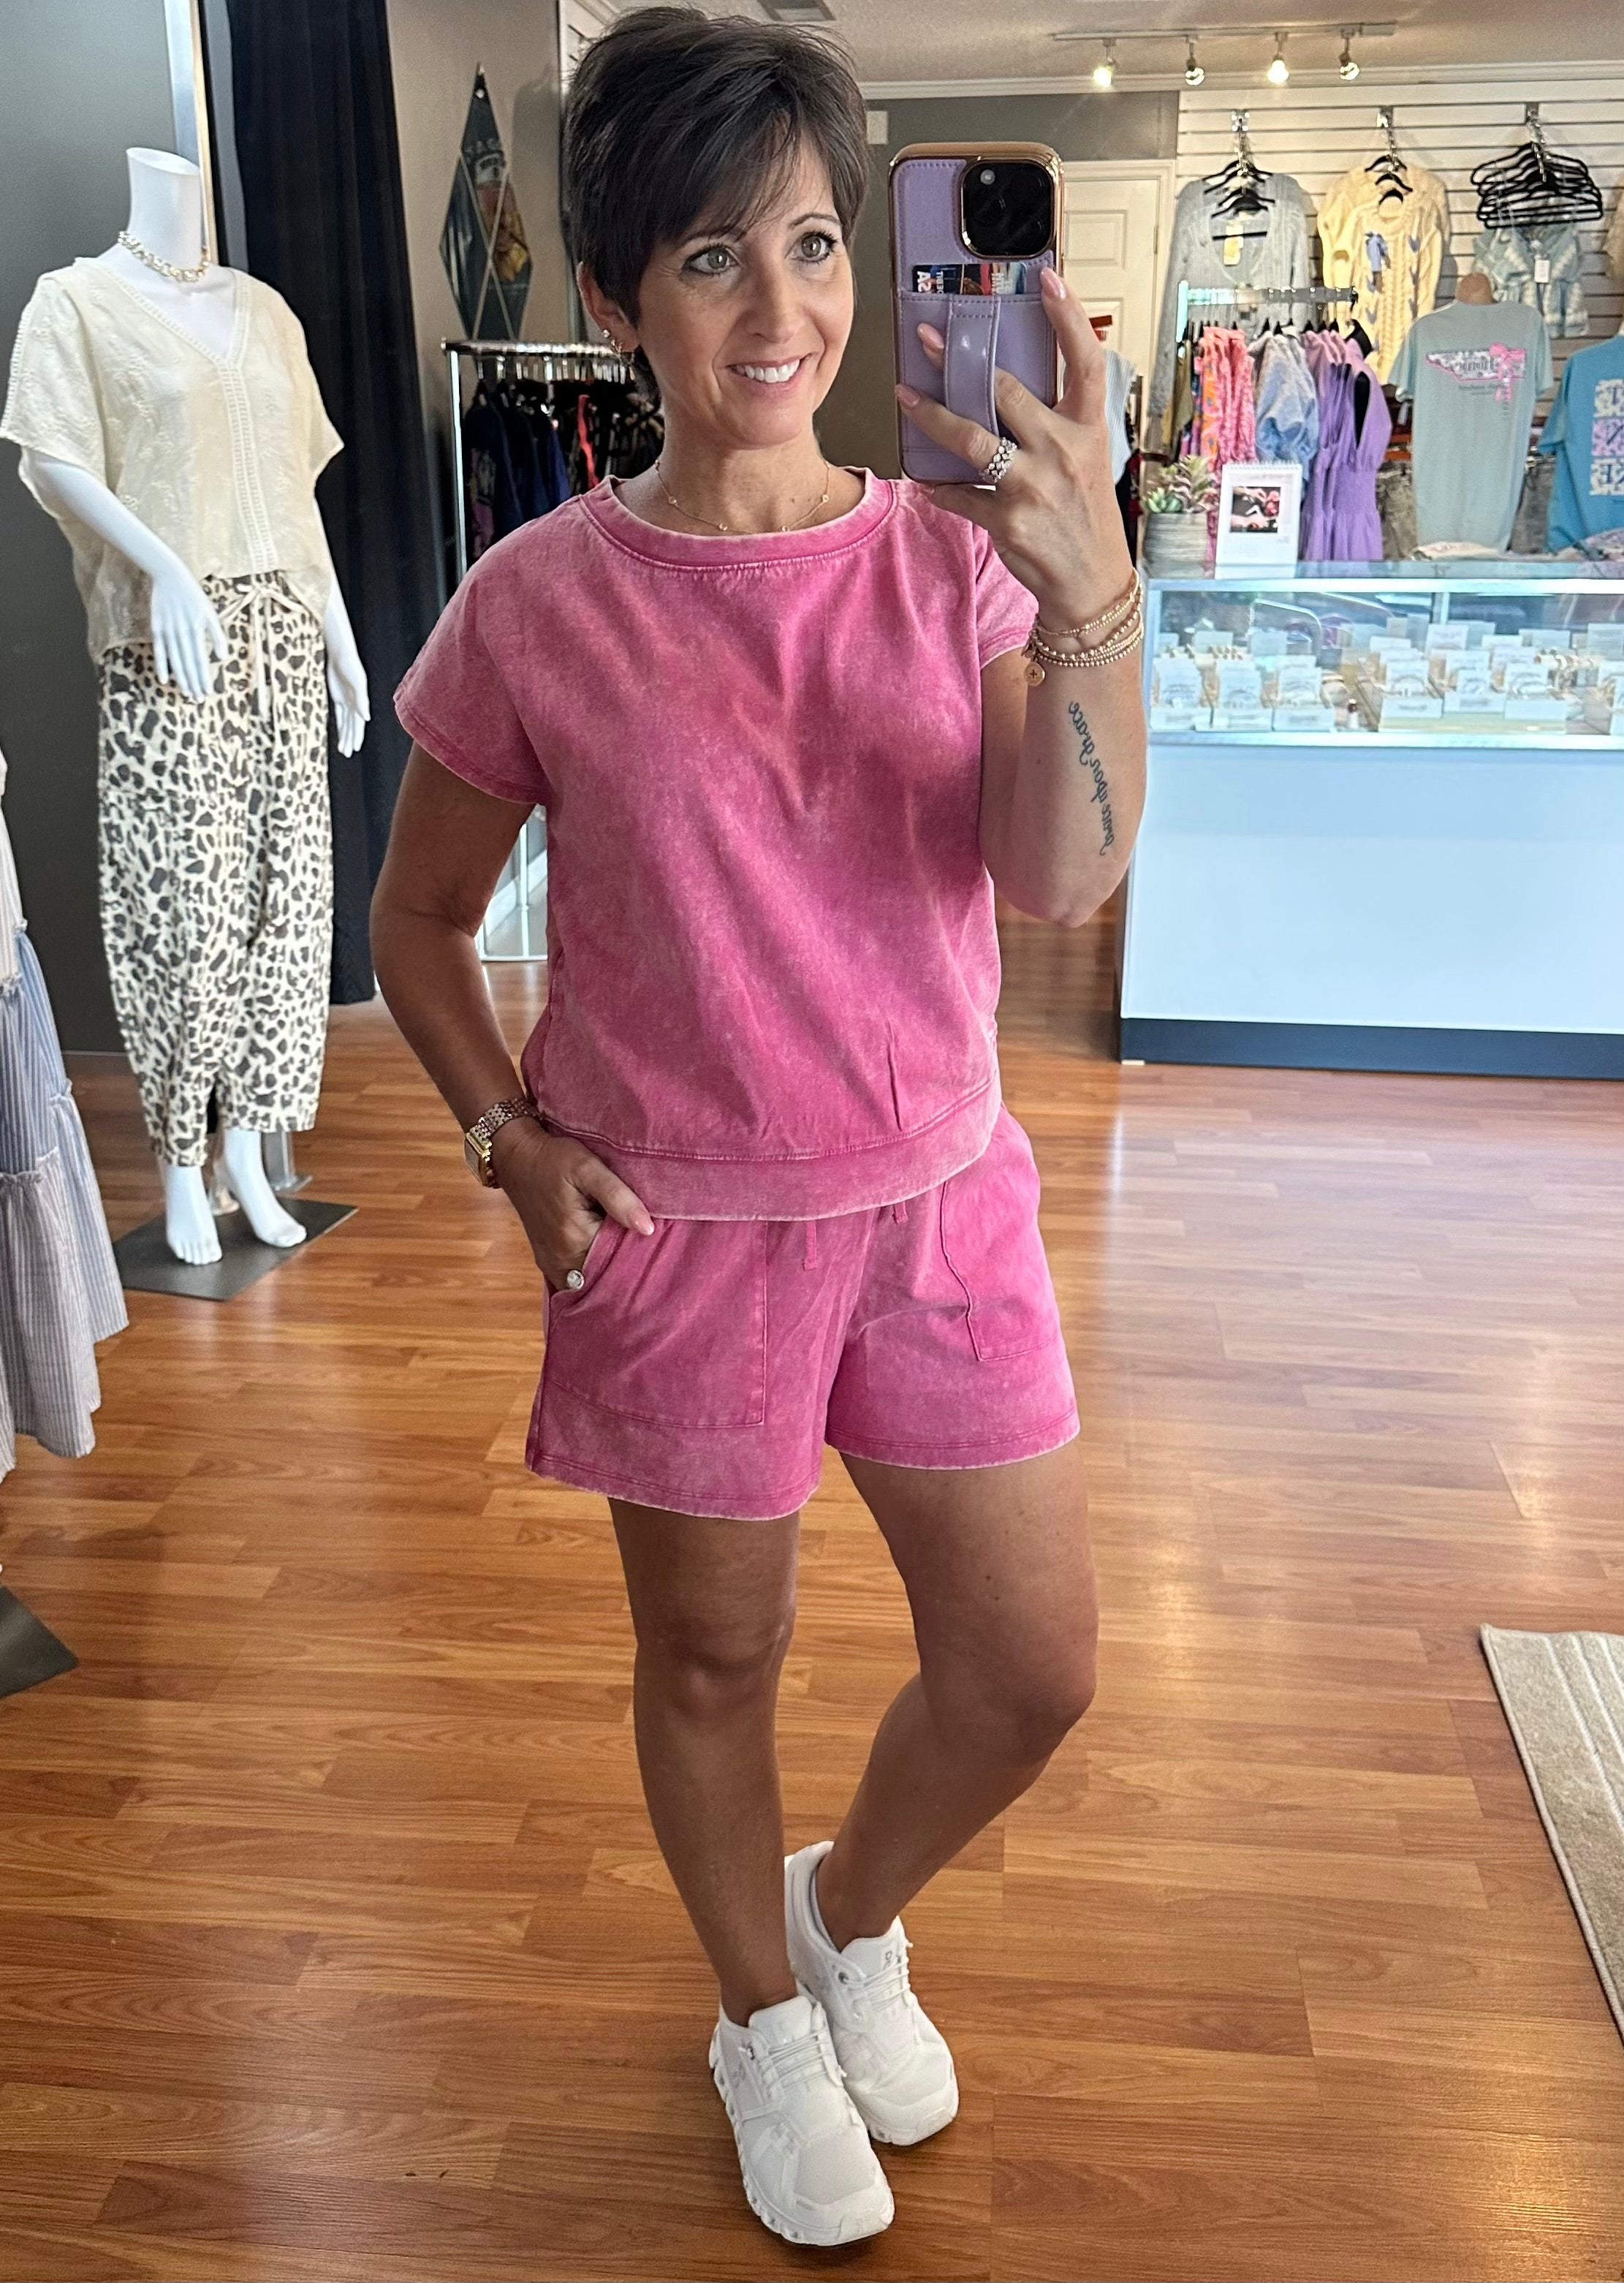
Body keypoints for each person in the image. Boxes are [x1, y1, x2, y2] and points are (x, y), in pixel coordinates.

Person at [371, 4, 1146, 2248]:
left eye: (815, 244)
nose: (785, 310)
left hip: (939, 1201)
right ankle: (755, 2012)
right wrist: (505, 1136)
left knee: (1033, 1665)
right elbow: (417, 922)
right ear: (614, 299)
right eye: (713, 257)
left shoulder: (950, 558)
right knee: (714, 1658)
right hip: (679, 1233)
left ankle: (848, 1910)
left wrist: (1089, 587)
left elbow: (1062, 876)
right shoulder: (538, 602)